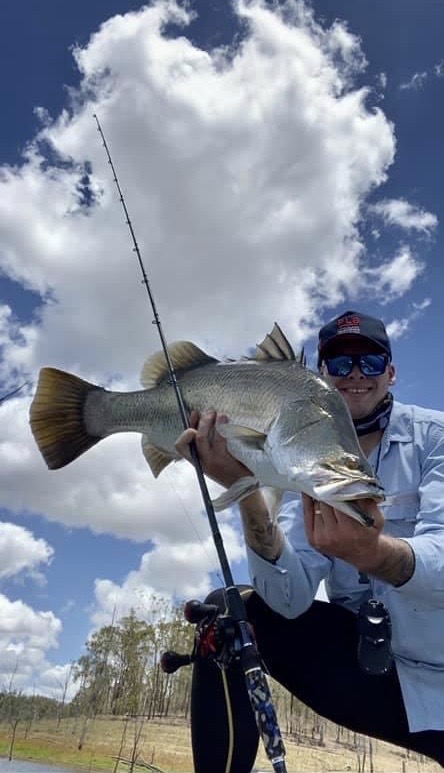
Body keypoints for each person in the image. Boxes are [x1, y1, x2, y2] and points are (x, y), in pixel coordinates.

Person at [174, 310, 444, 772]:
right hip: (371, 670)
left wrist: (375, 555)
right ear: (322, 376)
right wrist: (246, 491)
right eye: (339, 364)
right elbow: (289, 600)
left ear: (391, 373)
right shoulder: (297, 450)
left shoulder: (436, 436)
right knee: (231, 612)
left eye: (370, 362)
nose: (355, 374)